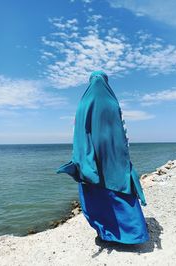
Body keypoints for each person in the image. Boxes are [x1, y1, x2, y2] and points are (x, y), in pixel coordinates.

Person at [56, 70, 149, 244]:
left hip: (92, 159)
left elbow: (77, 134)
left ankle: (106, 234)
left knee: (96, 195)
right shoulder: (112, 102)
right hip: (114, 159)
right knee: (120, 190)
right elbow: (123, 131)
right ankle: (133, 235)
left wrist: (81, 158)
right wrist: (123, 156)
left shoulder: (82, 104)